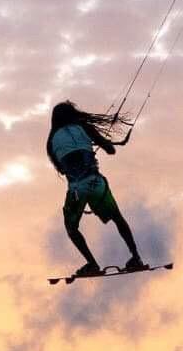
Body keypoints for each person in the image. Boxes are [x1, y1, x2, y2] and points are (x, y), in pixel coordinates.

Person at [45, 101, 144, 277]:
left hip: (77, 190)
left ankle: (92, 264)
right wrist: (98, 144)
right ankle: (136, 257)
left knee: (71, 228)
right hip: (97, 184)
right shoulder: (84, 127)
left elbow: (61, 169)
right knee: (118, 218)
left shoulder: (51, 140)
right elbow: (111, 150)